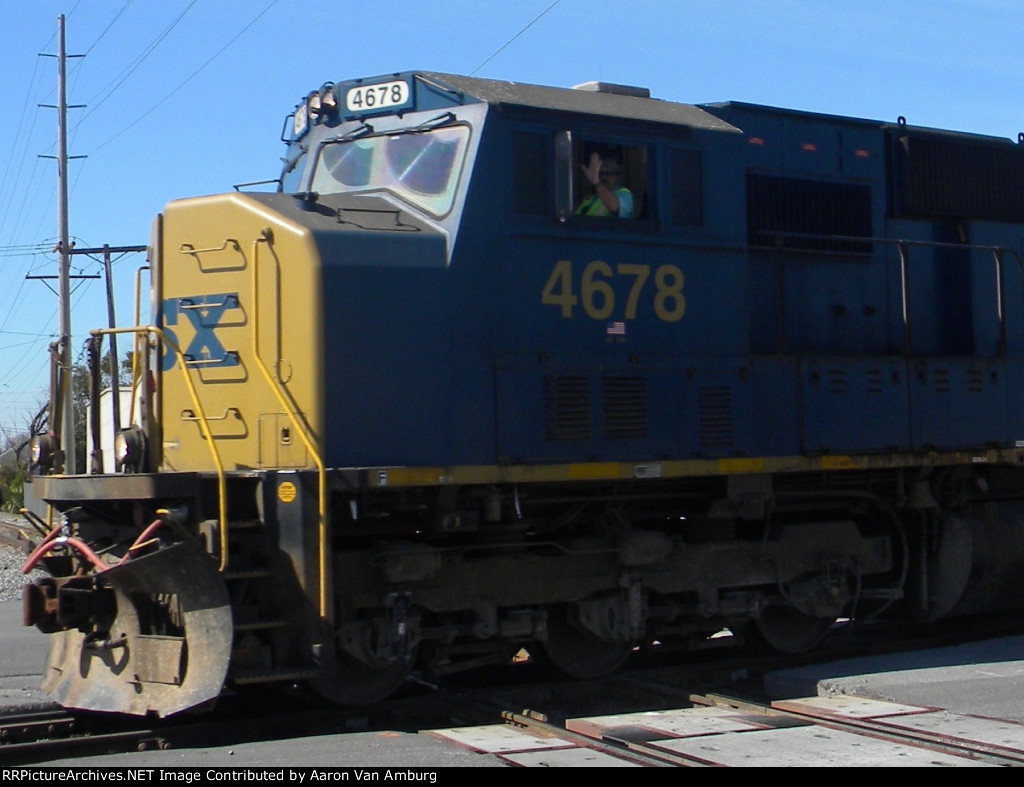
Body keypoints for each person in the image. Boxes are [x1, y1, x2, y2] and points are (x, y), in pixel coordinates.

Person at [576, 152, 633, 218]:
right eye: (601, 173)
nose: (604, 177)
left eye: (609, 173)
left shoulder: (625, 193)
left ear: (618, 177)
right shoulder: (590, 199)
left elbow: (614, 207)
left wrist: (596, 183)